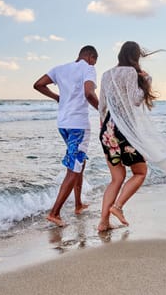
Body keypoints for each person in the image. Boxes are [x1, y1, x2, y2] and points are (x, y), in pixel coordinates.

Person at [97, 41, 166, 232]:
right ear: (135, 56)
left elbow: (101, 106)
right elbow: (135, 99)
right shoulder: (131, 72)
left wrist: (105, 128)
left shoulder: (107, 74)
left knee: (116, 179)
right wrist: (148, 81)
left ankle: (103, 222)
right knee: (140, 173)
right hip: (125, 130)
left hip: (107, 131)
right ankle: (117, 207)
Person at [33, 45, 99, 227]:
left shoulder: (59, 69)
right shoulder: (89, 68)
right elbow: (88, 93)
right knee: (73, 167)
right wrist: (103, 111)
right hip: (78, 126)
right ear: (91, 57)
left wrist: (56, 97)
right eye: (94, 61)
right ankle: (54, 213)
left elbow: (38, 84)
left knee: (79, 162)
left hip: (63, 124)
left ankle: (78, 204)